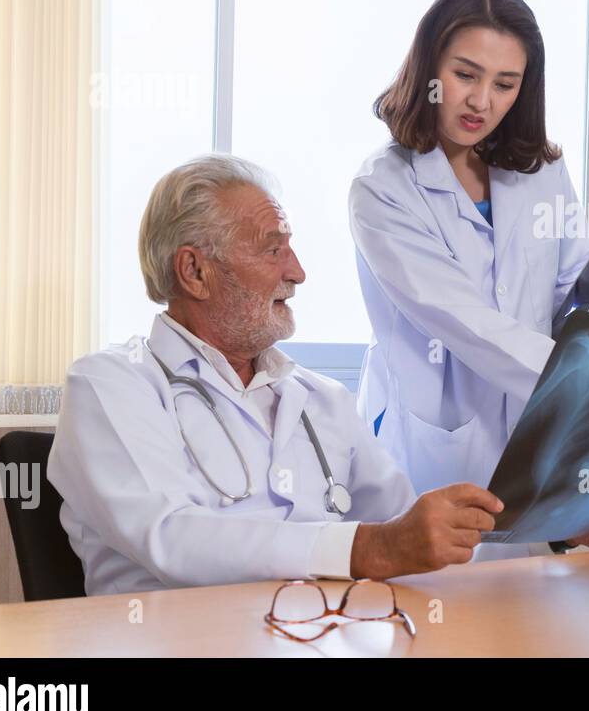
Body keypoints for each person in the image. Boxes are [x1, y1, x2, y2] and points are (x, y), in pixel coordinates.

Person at [49, 155, 504, 596]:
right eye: (273, 249)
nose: (298, 272)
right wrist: (369, 549)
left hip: (318, 639)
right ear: (194, 271)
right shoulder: (112, 385)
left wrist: (548, 533)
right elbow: (170, 538)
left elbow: (410, 532)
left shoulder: (321, 397)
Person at [349, 0, 589, 557]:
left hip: (532, 440)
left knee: (528, 621)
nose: (481, 100)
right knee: (436, 627)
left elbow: (573, 292)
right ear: (429, 65)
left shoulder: (539, 173)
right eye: (466, 74)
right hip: (434, 451)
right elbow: (464, 322)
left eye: (505, 83)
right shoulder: (383, 188)